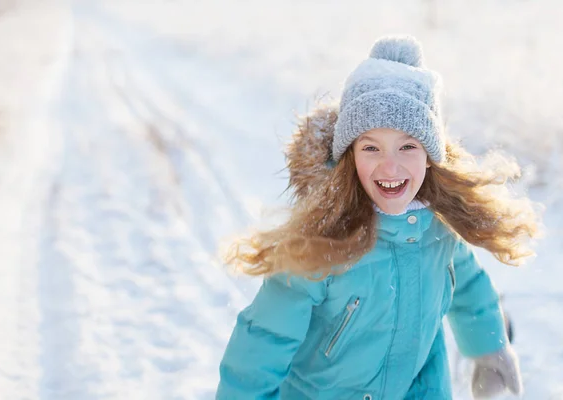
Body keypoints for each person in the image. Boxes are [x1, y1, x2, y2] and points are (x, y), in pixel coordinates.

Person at [215, 35, 540, 399]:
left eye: (407, 146)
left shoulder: (438, 230)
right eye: (371, 147)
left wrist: (489, 349)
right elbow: (262, 342)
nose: (390, 165)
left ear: (430, 155)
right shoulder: (324, 242)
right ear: (349, 157)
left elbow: (466, 285)